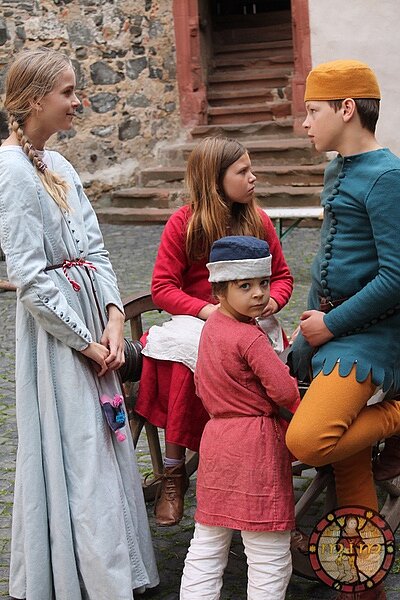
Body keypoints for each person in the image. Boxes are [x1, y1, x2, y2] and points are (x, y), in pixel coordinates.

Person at [0, 48, 159, 600]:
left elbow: (95, 248)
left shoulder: (60, 165)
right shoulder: (10, 171)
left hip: (95, 328)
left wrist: (114, 319)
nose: (77, 102)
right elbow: (29, 277)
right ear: (33, 100)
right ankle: (86, 578)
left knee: (106, 441)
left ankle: (118, 569)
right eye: (67, 92)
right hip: (58, 338)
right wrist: (86, 343)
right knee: (78, 448)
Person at [134, 136, 294, 526]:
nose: (253, 178)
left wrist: (272, 302)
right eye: (243, 171)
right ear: (215, 179)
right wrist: (208, 310)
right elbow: (163, 287)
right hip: (199, 318)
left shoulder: (258, 221)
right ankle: (174, 472)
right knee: (182, 355)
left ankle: (261, 464)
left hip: (252, 321)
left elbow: (283, 277)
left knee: (255, 361)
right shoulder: (184, 223)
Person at [286, 59, 400, 600]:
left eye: (313, 111)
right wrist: (306, 333)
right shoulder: (338, 170)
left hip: (373, 337)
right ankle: (363, 585)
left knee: (310, 441)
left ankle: (397, 415)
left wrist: (330, 326)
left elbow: (396, 277)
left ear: (347, 108)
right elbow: (327, 261)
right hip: (332, 332)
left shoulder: (387, 176)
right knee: (350, 461)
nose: (305, 123)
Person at [179, 235, 299, 599]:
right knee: (268, 551)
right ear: (219, 290)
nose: (259, 293)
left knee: (207, 544)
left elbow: (201, 383)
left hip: (217, 443)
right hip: (256, 447)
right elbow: (285, 391)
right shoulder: (250, 338)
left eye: (263, 282)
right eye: (245, 286)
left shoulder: (211, 329)